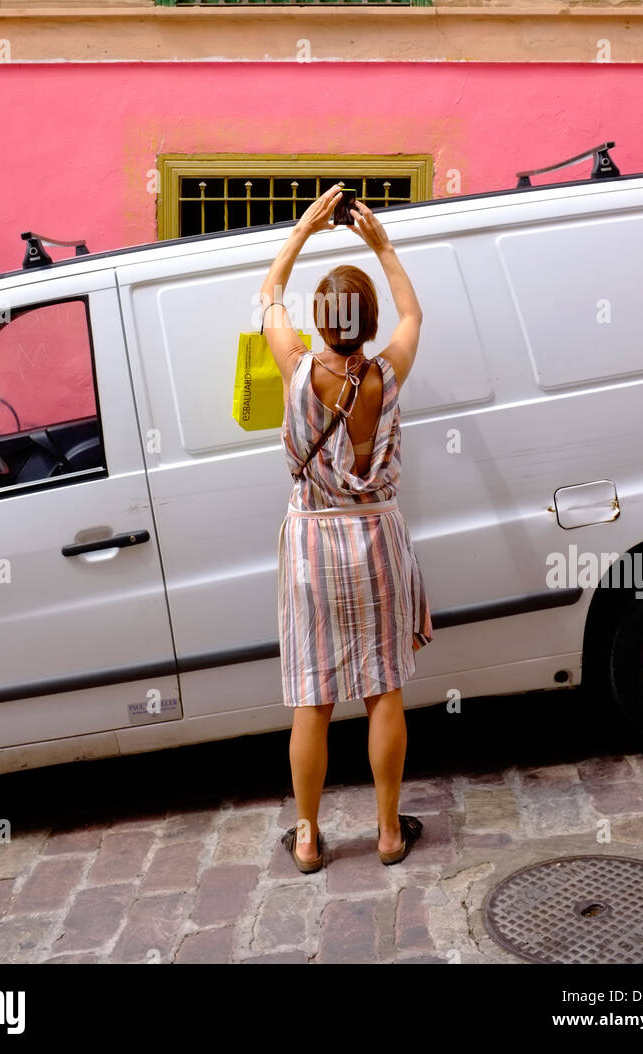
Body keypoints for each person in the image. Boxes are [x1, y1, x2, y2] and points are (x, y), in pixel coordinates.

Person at [259, 182, 433, 873]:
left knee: (313, 697)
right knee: (382, 689)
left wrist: (303, 229)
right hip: (376, 539)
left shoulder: (296, 368)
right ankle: (388, 832)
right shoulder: (388, 373)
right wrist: (381, 245)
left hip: (313, 543)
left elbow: (268, 293)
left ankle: (307, 837)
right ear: (366, 322)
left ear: (320, 321)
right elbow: (413, 311)